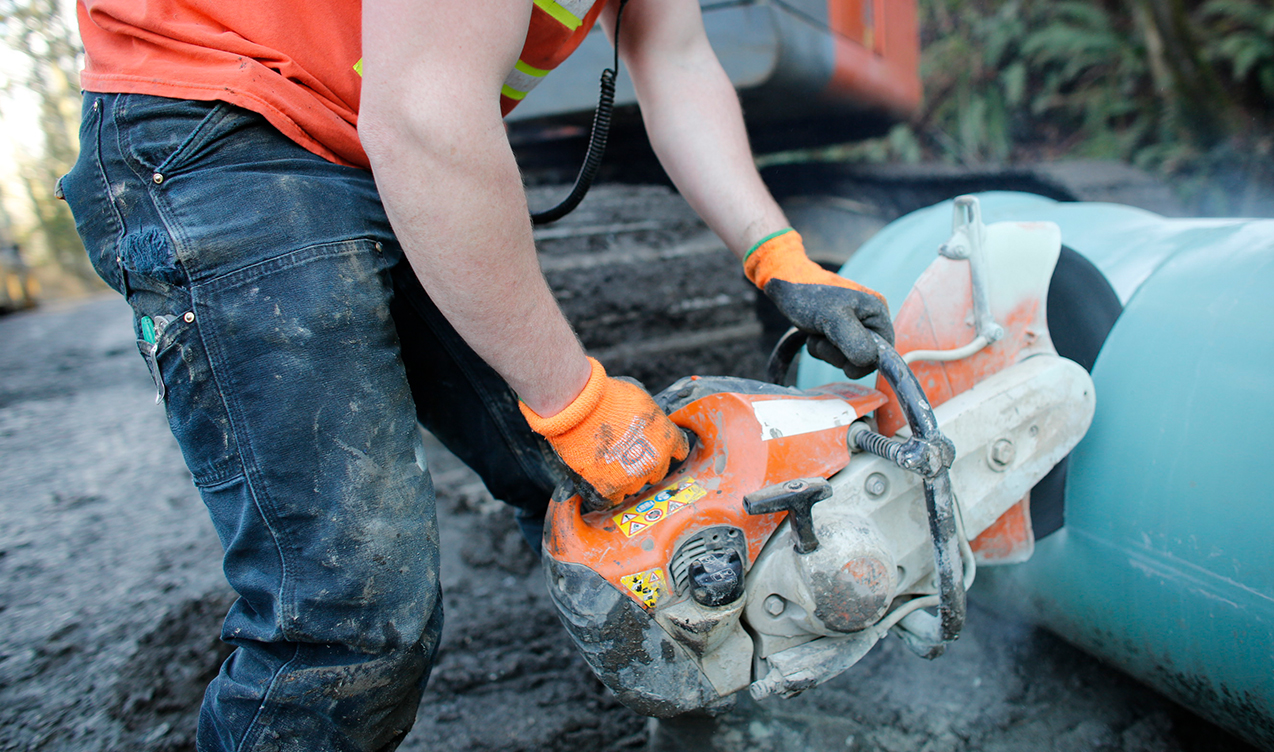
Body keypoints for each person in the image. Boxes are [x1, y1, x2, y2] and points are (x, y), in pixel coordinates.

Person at [60, 0, 894, 749]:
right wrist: (571, 403)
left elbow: (673, 57)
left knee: (634, 493)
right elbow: (425, 118)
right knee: (349, 626)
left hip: (373, 125)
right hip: (221, 124)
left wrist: (777, 253)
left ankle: (712, 724)